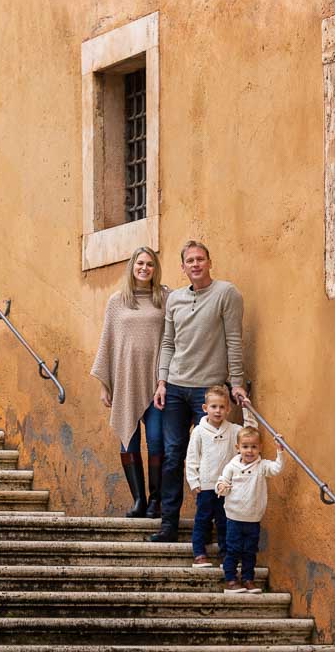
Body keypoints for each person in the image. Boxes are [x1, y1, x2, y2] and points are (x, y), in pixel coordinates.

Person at [148, 240, 248, 542]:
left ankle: (216, 526)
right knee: (172, 455)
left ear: (209, 262)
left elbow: (234, 340)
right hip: (176, 387)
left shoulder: (226, 294)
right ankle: (169, 524)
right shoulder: (175, 299)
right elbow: (168, 343)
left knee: (216, 459)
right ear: (182, 267)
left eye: (200, 259)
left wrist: (237, 382)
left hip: (209, 389)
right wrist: (162, 382)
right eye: (189, 260)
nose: (195, 264)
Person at [90, 247, 167, 518]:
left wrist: (165, 380)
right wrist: (105, 385)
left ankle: (156, 500)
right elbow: (107, 343)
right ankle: (138, 500)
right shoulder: (116, 301)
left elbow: (172, 341)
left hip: (157, 383)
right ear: (132, 267)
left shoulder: (164, 299)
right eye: (139, 264)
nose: (144, 268)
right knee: (129, 441)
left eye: (149, 264)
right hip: (125, 382)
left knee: (157, 440)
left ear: (155, 269)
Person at [216, 425, 284, 592]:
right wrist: (222, 486)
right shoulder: (232, 466)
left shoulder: (262, 466)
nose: (249, 451)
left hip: (253, 518)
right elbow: (221, 482)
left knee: (250, 551)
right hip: (234, 517)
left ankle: (248, 579)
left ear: (260, 448)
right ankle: (231, 579)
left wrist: (280, 451)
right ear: (238, 448)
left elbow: (277, 468)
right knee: (233, 549)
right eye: (245, 446)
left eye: (254, 447)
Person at [185, 384, 243, 566]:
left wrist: (247, 409)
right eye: (213, 407)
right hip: (206, 486)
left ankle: (226, 553)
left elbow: (250, 431)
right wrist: (194, 482)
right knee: (202, 519)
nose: (218, 411)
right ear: (205, 408)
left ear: (228, 409)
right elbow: (192, 458)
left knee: (225, 521)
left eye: (222, 407)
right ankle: (199, 552)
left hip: (226, 487)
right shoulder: (199, 432)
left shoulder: (233, 430)